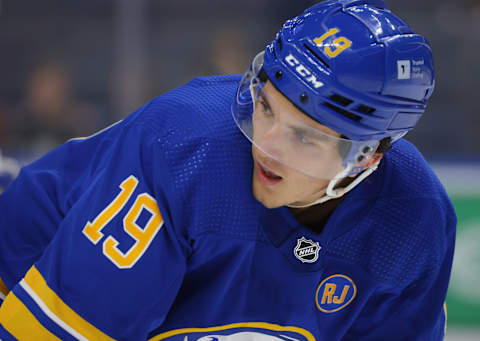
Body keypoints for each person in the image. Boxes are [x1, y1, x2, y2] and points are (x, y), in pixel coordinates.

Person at [0, 0, 456, 340]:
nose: (268, 145)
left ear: (368, 158)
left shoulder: (415, 220)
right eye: (266, 106)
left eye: (305, 136)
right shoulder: (185, 149)